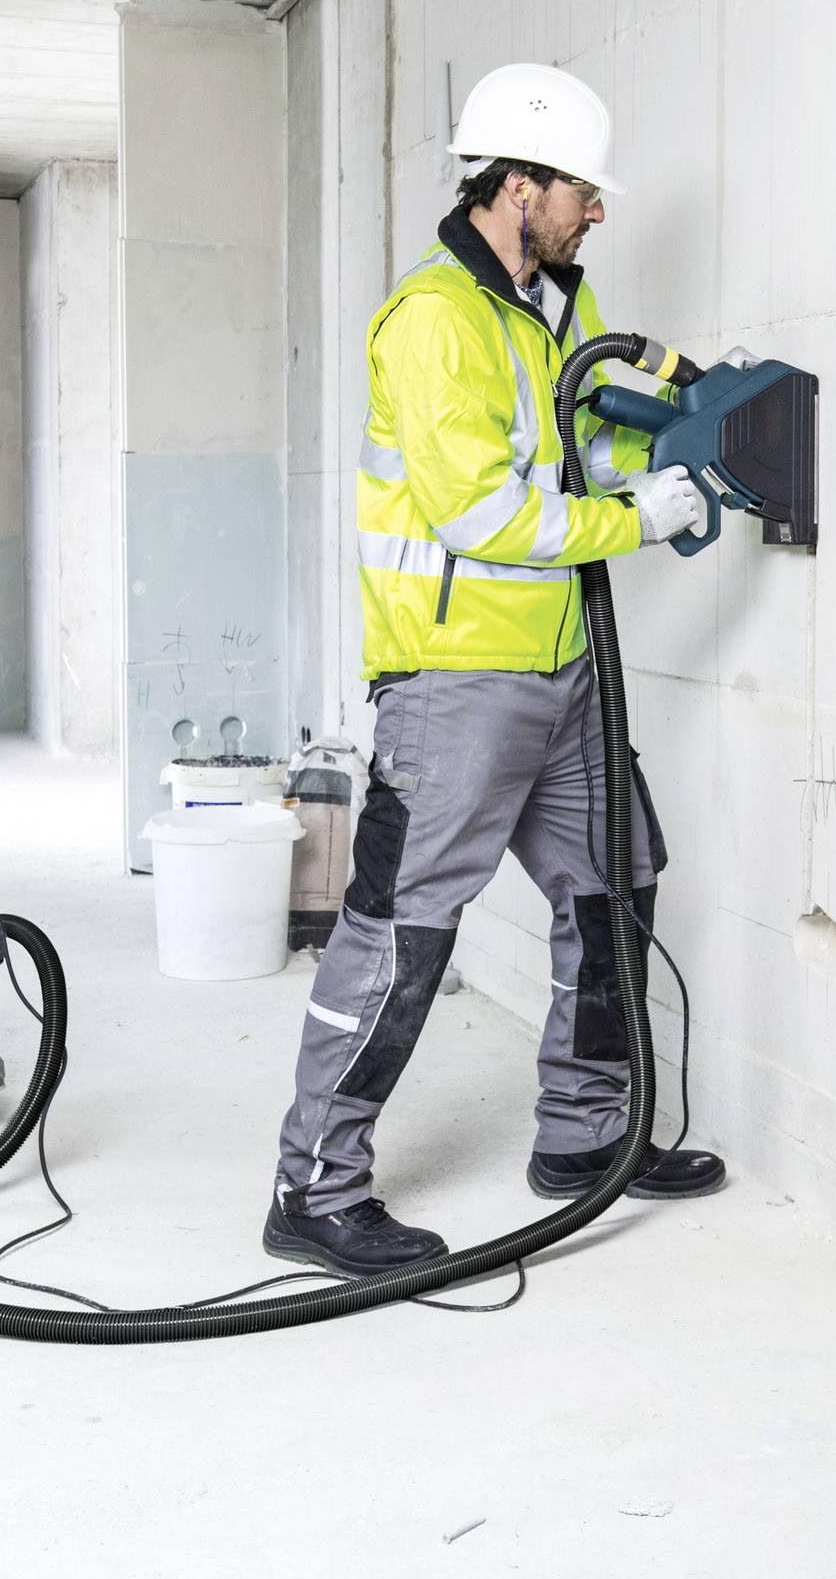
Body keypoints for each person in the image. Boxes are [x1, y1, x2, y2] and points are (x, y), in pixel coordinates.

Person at [264, 62, 726, 1277]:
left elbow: (576, 433)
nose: (597, 211)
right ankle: (315, 1185)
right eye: (580, 188)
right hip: (458, 684)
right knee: (403, 929)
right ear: (516, 186)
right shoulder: (436, 322)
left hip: (565, 674)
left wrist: (686, 414)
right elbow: (481, 511)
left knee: (617, 884)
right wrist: (640, 516)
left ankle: (583, 1139)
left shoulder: (547, 311)